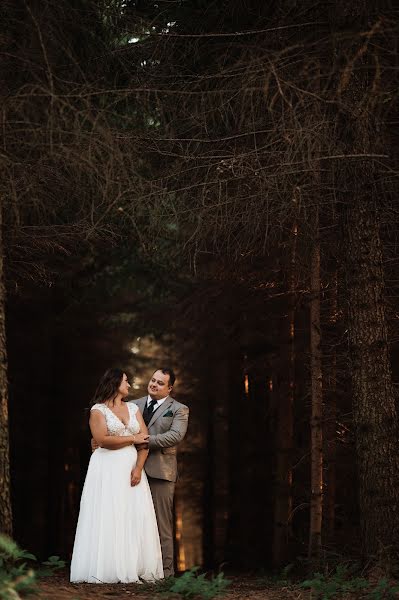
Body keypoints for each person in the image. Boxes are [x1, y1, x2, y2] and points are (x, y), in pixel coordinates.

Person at [70, 369, 164, 583]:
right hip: (106, 467)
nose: (129, 385)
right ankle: (107, 567)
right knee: (108, 513)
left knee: (132, 513)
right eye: (126, 381)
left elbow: (145, 441)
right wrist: (133, 437)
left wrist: (139, 468)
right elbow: (102, 439)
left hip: (131, 465)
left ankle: (132, 566)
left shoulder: (132, 408)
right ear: (114, 384)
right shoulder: (98, 410)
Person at [131, 368, 189, 578]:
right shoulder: (133, 405)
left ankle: (166, 573)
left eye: (160, 383)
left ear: (170, 388)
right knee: (133, 521)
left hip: (161, 472)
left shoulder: (179, 409)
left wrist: (143, 441)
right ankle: (136, 570)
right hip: (132, 470)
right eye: (153, 380)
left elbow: (175, 436)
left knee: (161, 524)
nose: (154, 384)